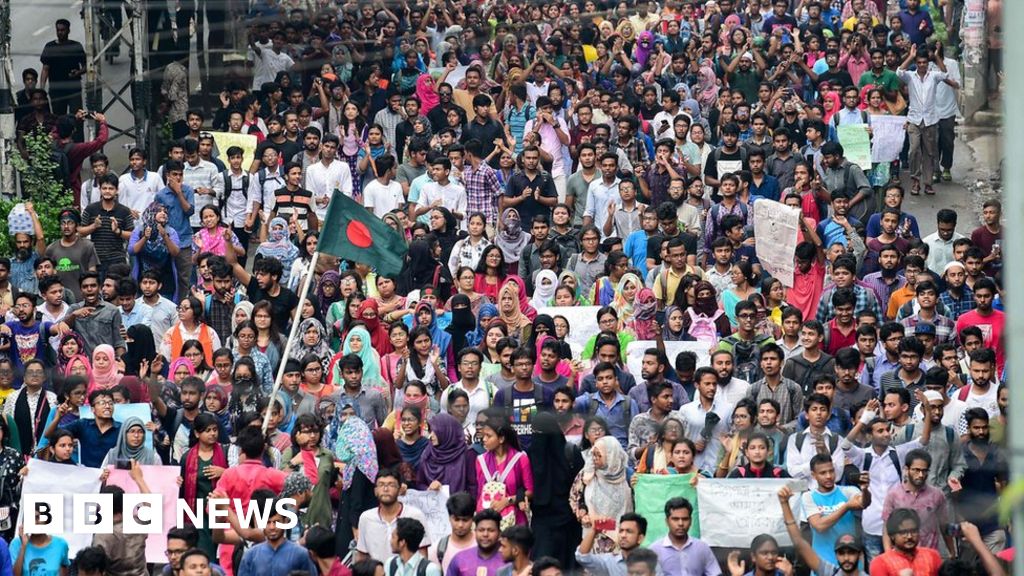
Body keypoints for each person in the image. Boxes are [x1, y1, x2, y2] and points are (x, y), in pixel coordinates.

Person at [355, 468, 431, 563]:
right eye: (381, 485)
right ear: (375, 491)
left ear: (399, 490)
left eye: (391, 485)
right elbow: (362, 555)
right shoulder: (366, 518)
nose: (386, 489)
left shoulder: (415, 515)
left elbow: (422, 555)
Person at [649, 497, 719, 575]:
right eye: (675, 519)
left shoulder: (702, 548)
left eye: (685, 519)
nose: (681, 523)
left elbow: (715, 573)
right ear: (667, 521)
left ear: (691, 521)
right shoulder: (654, 550)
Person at [868, 508, 942, 576]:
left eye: (913, 531)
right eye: (903, 532)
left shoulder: (932, 556)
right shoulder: (880, 563)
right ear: (892, 535)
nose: (909, 536)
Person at [575, 512, 646, 576]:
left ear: (640, 538)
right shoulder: (610, 561)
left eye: (629, 531)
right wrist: (594, 530)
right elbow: (582, 557)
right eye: (621, 531)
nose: (623, 535)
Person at [446, 510, 505, 576]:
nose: (485, 534)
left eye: (491, 530)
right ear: (475, 532)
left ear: (499, 533)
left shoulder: (508, 562)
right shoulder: (459, 559)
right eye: (481, 530)